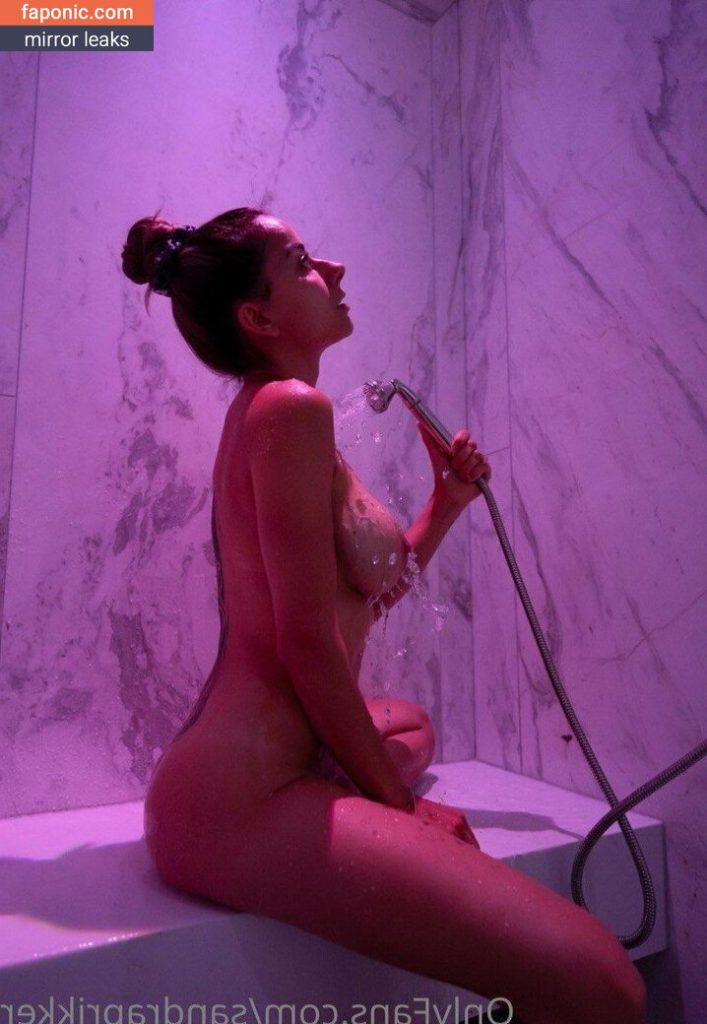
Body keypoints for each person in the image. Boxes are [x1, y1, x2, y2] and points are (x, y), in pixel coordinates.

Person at [121, 207, 646, 1024]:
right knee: (603, 982)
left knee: (411, 726)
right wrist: (405, 812)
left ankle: (340, 767)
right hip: (236, 797)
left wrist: (447, 501)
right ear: (259, 319)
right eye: (300, 260)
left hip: (231, 767)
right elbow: (306, 642)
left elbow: (358, 593)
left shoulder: (279, 411)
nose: (330, 268)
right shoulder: (290, 408)